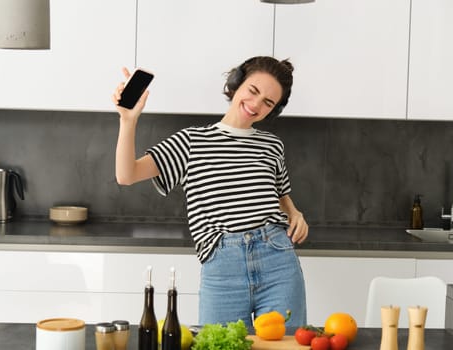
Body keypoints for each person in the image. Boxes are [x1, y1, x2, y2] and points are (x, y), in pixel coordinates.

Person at [112, 56, 309, 327]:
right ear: (236, 85)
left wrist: (295, 213)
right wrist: (128, 120)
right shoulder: (191, 141)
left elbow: (280, 193)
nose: (256, 105)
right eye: (253, 91)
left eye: (268, 102)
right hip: (222, 263)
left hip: (278, 259)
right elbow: (127, 175)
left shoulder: (272, 145)